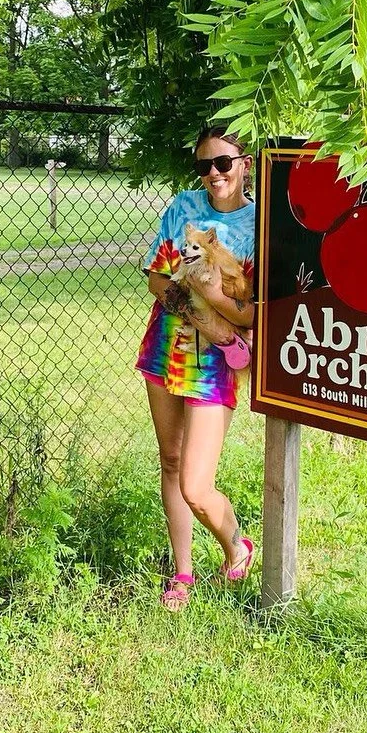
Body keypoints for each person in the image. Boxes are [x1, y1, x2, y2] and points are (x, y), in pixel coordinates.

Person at [135, 127, 258, 611]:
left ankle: (236, 543)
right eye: (204, 165)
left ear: (244, 163)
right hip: (167, 345)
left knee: (195, 484)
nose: (213, 174)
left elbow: (252, 313)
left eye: (223, 163)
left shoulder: (260, 224)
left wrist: (210, 299)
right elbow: (156, 277)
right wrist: (185, 303)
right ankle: (182, 571)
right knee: (170, 460)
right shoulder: (183, 209)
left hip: (217, 358)